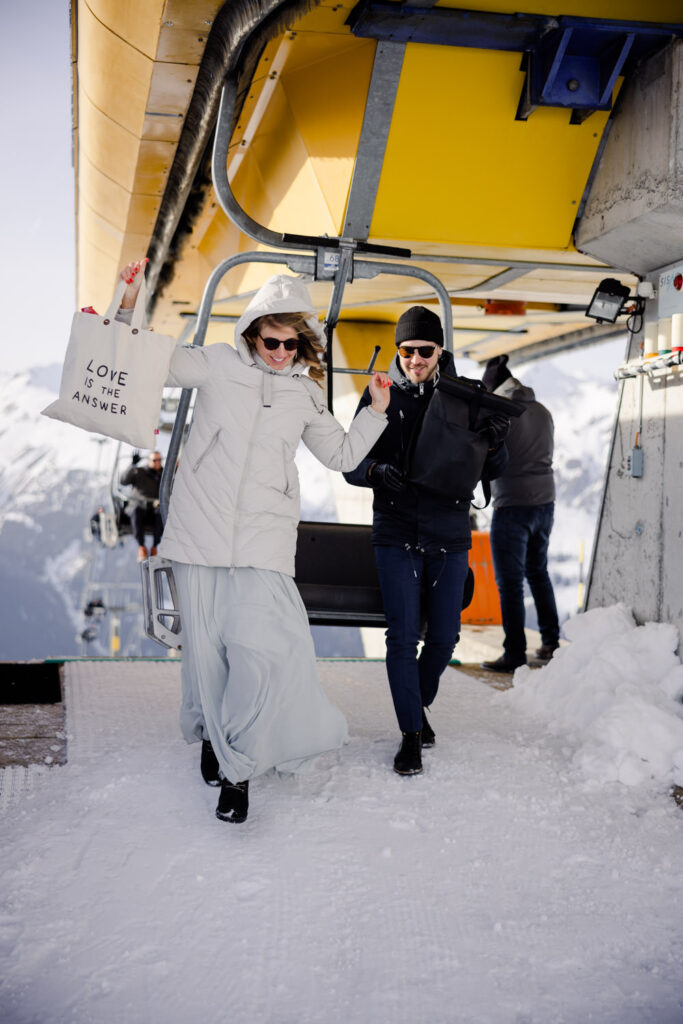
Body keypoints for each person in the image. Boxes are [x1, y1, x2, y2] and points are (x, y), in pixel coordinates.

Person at [116, 259, 391, 824]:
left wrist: (375, 412)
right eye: (272, 341)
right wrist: (127, 304)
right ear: (252, 331)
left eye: (292, 344)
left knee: (261, 656)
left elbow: (341, 456)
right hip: (200, 534)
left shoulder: (306, 394)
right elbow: (149, 363)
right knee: (207, 658)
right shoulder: (217, 363)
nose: (281, 352)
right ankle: (213, 738)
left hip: (266, 542)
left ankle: (237, 772)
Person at [343, 306, 508, 776]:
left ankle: (415, 706)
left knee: (444, 636)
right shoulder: (380, 393)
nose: (415, 359)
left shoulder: (464, 396)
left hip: (448, 531)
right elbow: (350, 462)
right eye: (407, 350)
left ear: (440, 350)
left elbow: (494, 468)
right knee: (401, 638)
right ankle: (411, 735)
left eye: (424, 350)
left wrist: (496, 442)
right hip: (395, 529)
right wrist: (376, 471)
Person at [479, 354, 560, 674]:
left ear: (493, 389)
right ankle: (551, 643)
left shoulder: (499, 413)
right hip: (545, 503)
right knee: (538, 572)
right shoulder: (542, 410)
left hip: (512, 505)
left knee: (510, 583)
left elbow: (484, 457)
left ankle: (514, 653)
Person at [120, 450, 164, 561]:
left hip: (154, 508)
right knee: (136, 510)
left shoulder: (165, 475)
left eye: (159, 460)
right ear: (149, 461)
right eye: (154, 460)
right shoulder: (139, 472)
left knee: (160, 513)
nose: (157, 462)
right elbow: (123, 481)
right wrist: (132, 465)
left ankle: (155, 547)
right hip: (138, 506)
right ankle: (141, 547)